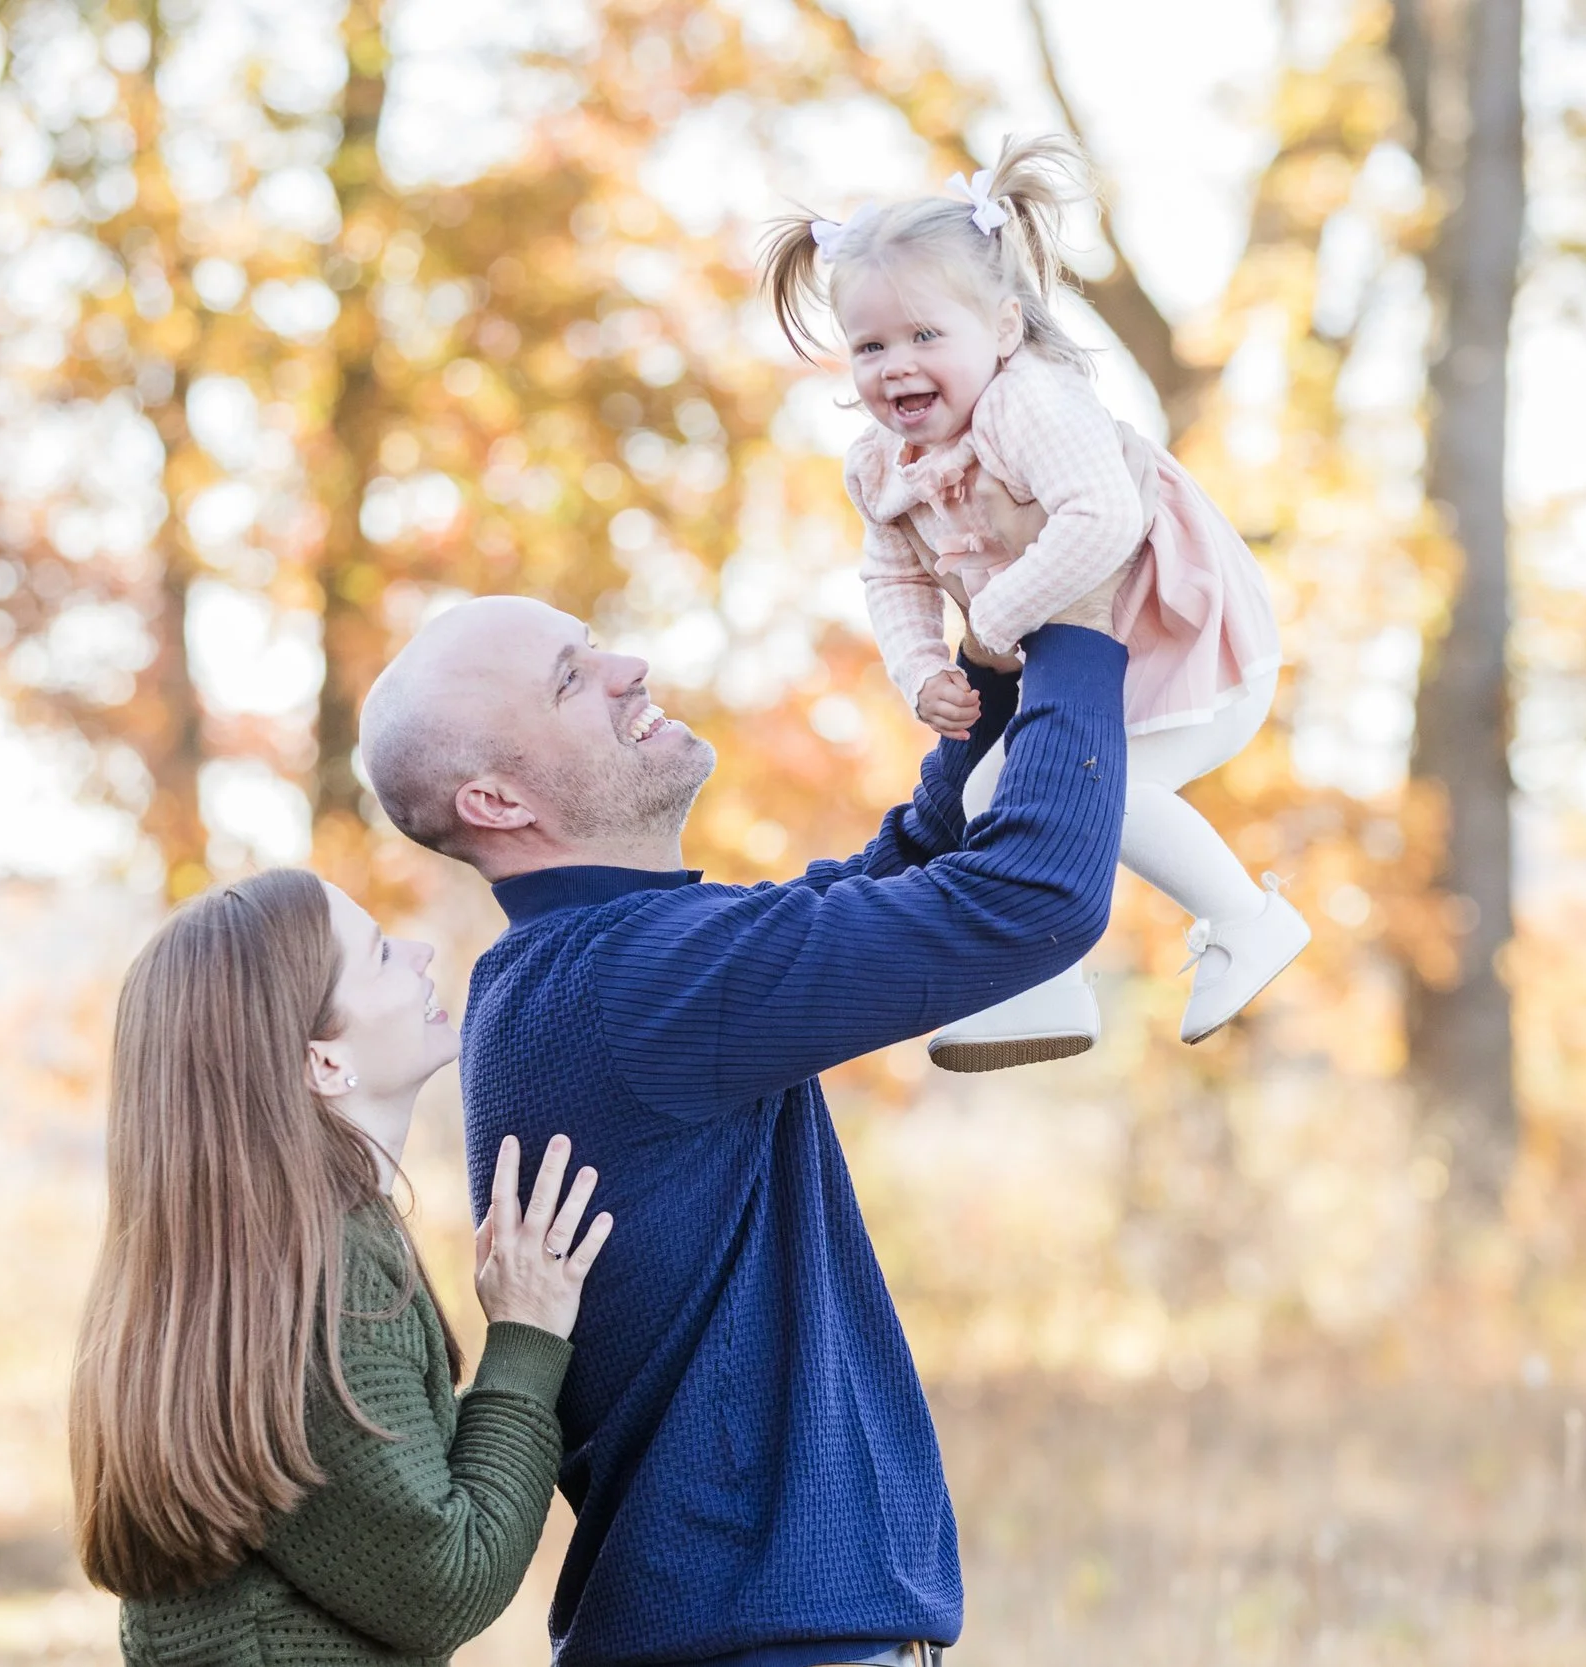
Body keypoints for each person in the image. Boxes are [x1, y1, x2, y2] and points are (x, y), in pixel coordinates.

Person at [356, 584, 1129, 1667]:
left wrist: (995, 657)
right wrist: (1079, 628)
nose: (628, 666)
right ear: (494, 799)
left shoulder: (594, 964)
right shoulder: (629, 981)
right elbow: (1029, 897)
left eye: (595, 645)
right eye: (572, 677)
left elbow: (890, 875)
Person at [759, 133, 1309, 1066]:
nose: (896, 365)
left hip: (1189, 648)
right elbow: (891, 574)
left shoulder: (1030, 405)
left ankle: (1247, 918)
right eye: (871, 345)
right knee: (990, 794)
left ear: (1004, 330)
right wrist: (923, 668)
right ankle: (1040, 979)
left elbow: (1103, 519)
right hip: (1098, 673)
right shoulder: (882, 464)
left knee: (1115, 796)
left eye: (928, 336)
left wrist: (994, 619)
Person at [68, 868, 615, 1667]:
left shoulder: (248, 1268)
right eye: (383, 954)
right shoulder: (328, 1274)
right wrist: (527, 1338)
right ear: (322, 1059)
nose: (423, 953)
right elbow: (447, 1580)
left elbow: (381, 1516)